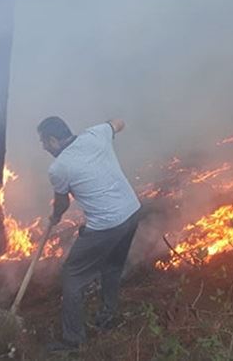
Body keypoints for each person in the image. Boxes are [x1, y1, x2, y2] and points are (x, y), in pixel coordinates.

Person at [37, 116, 141, 352]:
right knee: (112, 266)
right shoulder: (95, 134)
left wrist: (55, 217)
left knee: (72, 275)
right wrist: (109, 126)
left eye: (43, 142)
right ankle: (108, 316)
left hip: (106, 225)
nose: (43, 147)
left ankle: (73, 340)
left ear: (53, 140)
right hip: (132, 212)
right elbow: (119, 122)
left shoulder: (58, 167)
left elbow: (62, 203)